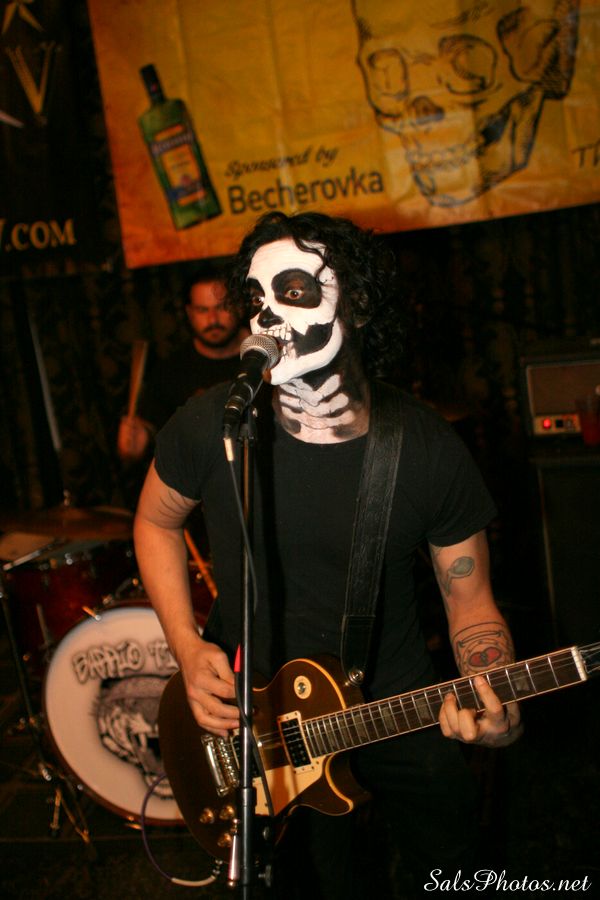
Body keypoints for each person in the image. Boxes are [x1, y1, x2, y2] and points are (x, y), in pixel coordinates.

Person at [133, 211, 522, 897]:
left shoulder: (425, 448)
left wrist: (497, 695)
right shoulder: (213, 425)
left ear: (359, 304)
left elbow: (469, 600)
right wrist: (188, 649)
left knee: (459, 869)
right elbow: (155, 522)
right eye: (255, 298)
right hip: (258, 715)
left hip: (394, 701)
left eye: (293, 291)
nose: (266, 317)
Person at [117, 263, 250, 462]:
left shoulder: (265, 357)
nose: (212, 319)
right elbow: (156, 434)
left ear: (239, 306)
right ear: (189, 312)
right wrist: (139, 443)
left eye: (221, 307)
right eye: (202, 310)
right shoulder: (171, 371)